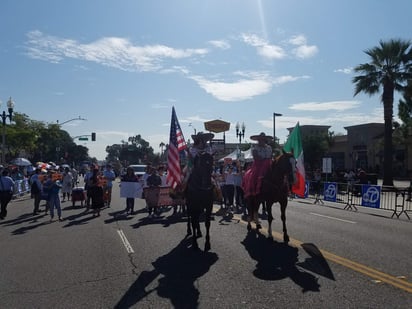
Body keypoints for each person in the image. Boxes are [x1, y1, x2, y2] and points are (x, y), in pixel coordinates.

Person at [242, 132, 273, 199]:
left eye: (263, 139)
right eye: (260, 140)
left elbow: (270, 156)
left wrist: (269, 160)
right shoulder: (255, 148)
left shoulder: (269, 148)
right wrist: (263, 159)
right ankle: (252, 190)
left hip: (268, 164)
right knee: (253, 175)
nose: (261, 141)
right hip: (258, 164)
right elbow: (256, 157)